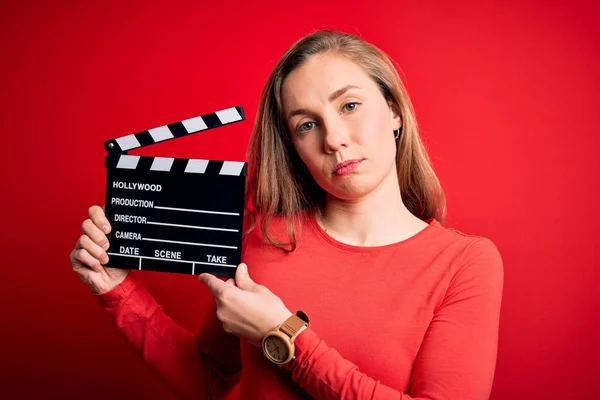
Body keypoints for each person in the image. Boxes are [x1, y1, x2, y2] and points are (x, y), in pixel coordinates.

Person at [70, 30, 504, 399]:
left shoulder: (464, 263)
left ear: (393, 111)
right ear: (294, 148)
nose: (334, 139)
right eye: (306, 125)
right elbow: (209, 377)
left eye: (349, 106)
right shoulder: (265, 242)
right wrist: (116, 290)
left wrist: (284, 337)